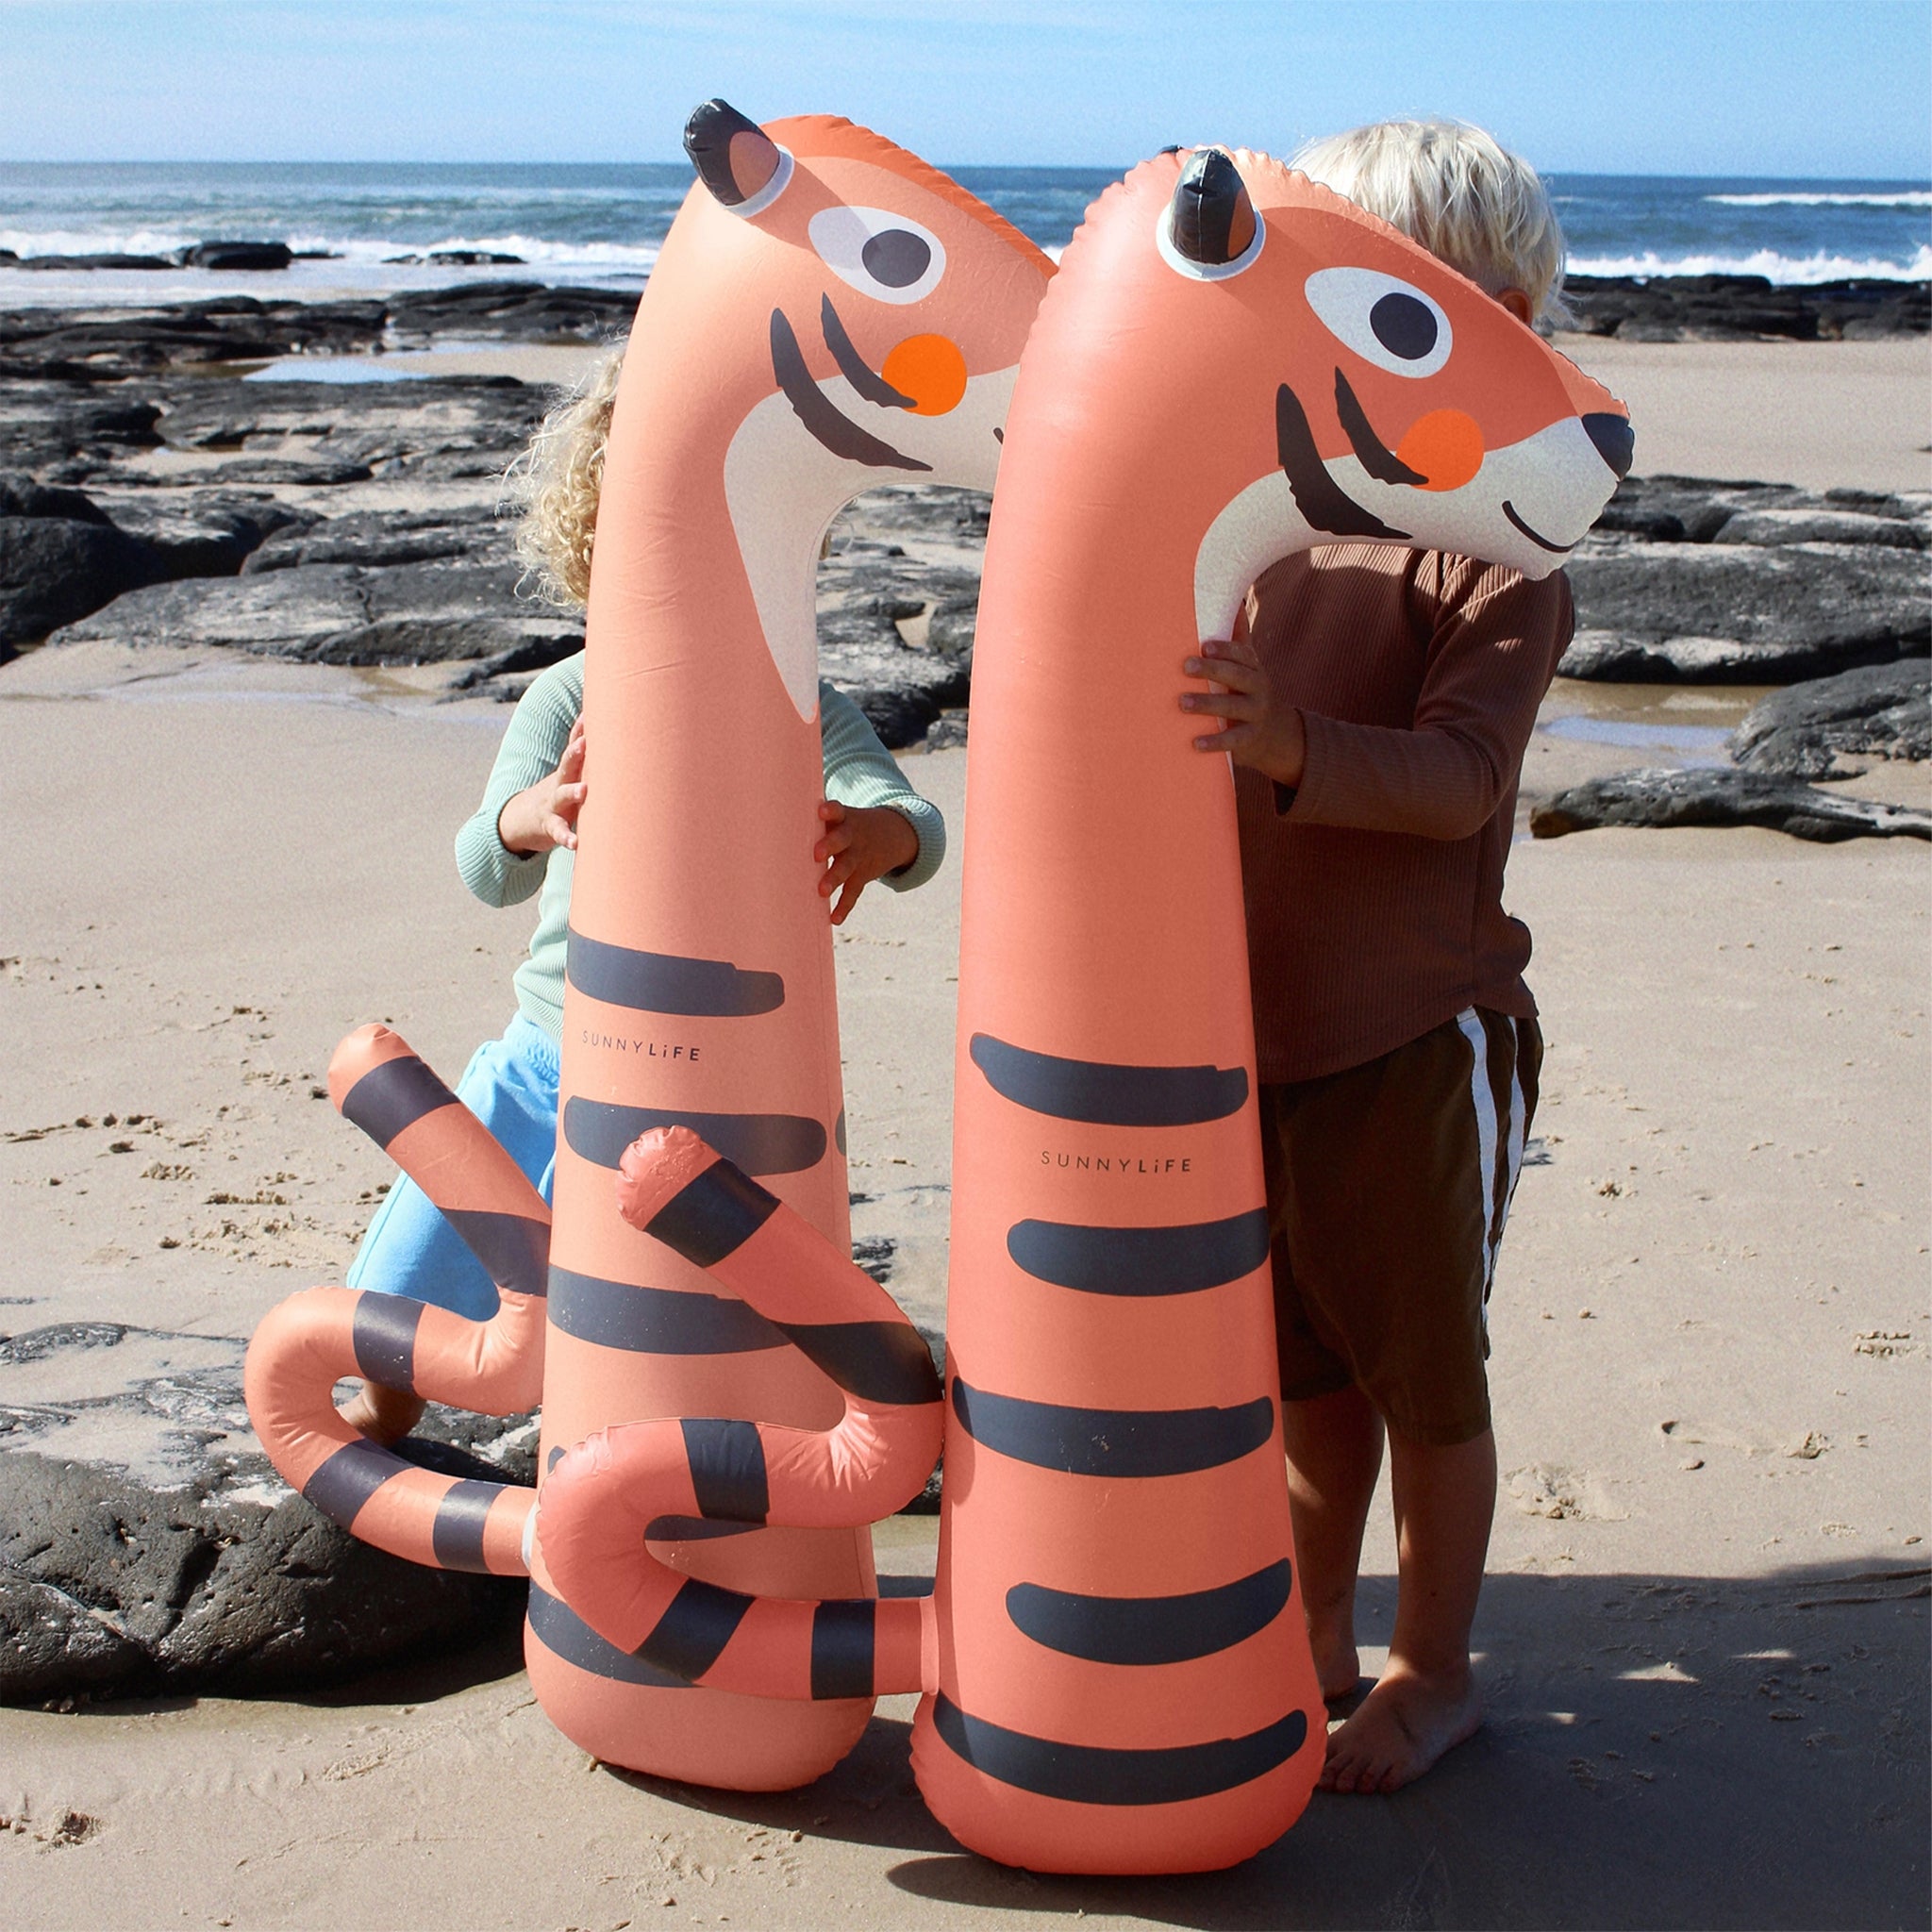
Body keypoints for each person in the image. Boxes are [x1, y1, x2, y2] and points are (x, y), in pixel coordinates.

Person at [1179, 119, 1575, 1795]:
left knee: (1419, 1375)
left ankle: (1433, 1664)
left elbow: (1462, 777)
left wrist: (1288, 748)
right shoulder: (1265, 533)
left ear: (1490, 314)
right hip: (1252, 1036)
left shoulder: (1497, 551)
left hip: (1416, 1033)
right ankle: (1310, 1629)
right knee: (1298, 1372)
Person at [341, 344, 946, 1443]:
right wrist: (529, 816)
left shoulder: (798, 700)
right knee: (413, 1272)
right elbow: (482, 863)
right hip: (546, 1049)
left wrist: (875, 832)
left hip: (724, 1076)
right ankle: (383, 1416)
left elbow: (912, 821)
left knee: (694, 1301)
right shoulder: (568, 691)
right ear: (600, 544)